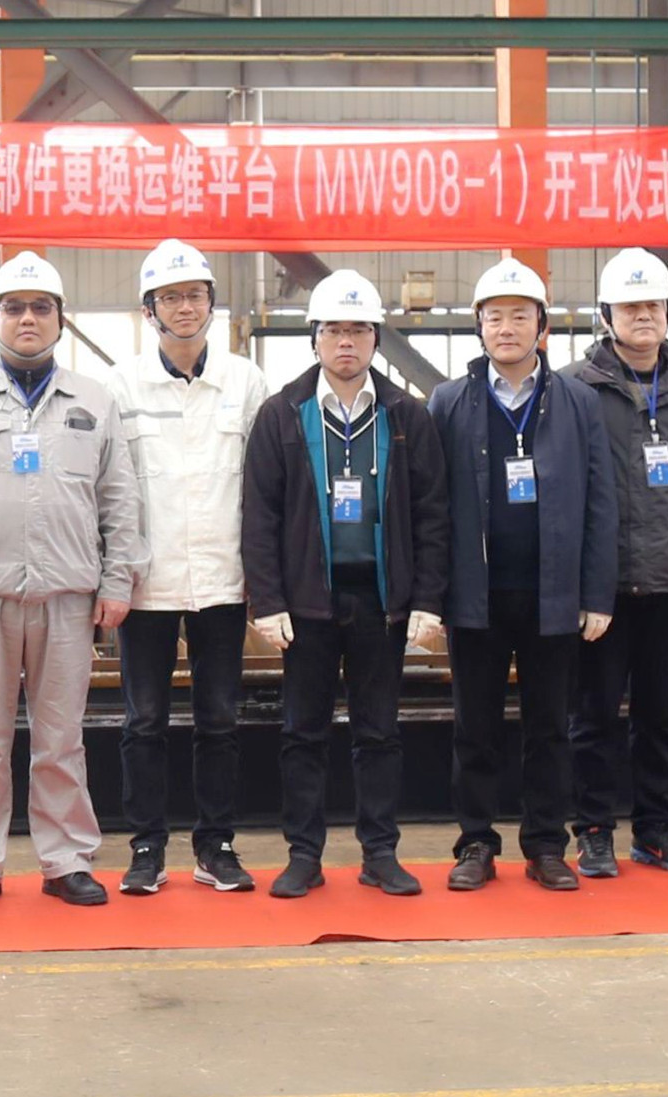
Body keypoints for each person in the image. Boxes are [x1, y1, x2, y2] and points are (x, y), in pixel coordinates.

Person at [0, 251, 145, 909]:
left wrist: (117, 581)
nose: (28, 319)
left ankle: (66, 859)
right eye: (14, 308)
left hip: (68, 598)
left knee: (61, 740)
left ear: (61, 320)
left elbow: (119, 497)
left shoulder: (93, 400)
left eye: (41, 307)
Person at [241, 269, 448, 898]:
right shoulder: (283, 415)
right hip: (308, 605)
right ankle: (303, 855)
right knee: (302, 734)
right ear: (315, 338)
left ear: (377, 338)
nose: (346, 342)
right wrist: (268, 600)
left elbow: (433, 514)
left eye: (359, 329)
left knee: (378, 734)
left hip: (381, 604)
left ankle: (380, 853)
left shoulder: (406, 415)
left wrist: (427, 600)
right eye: (334, 330)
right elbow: (259, 514)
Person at [429, 255, 615, 893]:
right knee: (474, 728)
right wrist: (435, 596)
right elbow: (432, 505)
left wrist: (595, 594)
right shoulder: (449, 401)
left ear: (542, 326)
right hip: (476, 595)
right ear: (478, 327)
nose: (506, 328)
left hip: (552, 595)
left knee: (550, 728)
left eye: (519, 316)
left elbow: (600, 502)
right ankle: (476, 843)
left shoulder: (578, 401)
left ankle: (545, 845)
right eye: (494, 317)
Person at [103, 239, 271, 896]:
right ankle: (146, 847)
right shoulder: (119, 386)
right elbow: (108, 490)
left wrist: (262, 576)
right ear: (149, 310)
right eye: (169, 297)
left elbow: (265, 487)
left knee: (219, 719)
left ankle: (215, 845)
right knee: (143, 721)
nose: (183, 307)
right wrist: (112, 573)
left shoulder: (246, 383)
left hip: (223, 579)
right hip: (145, 583)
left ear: (210, 304)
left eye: (194, 295)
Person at [565, 248, 668, 876]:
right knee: (593, 715)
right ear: (607, 316)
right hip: (601, 583)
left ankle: (655, 830)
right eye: (630, 307)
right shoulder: (576, 387)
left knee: (658, 715)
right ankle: (594, 830)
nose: (643, 315)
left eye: (652, 304)